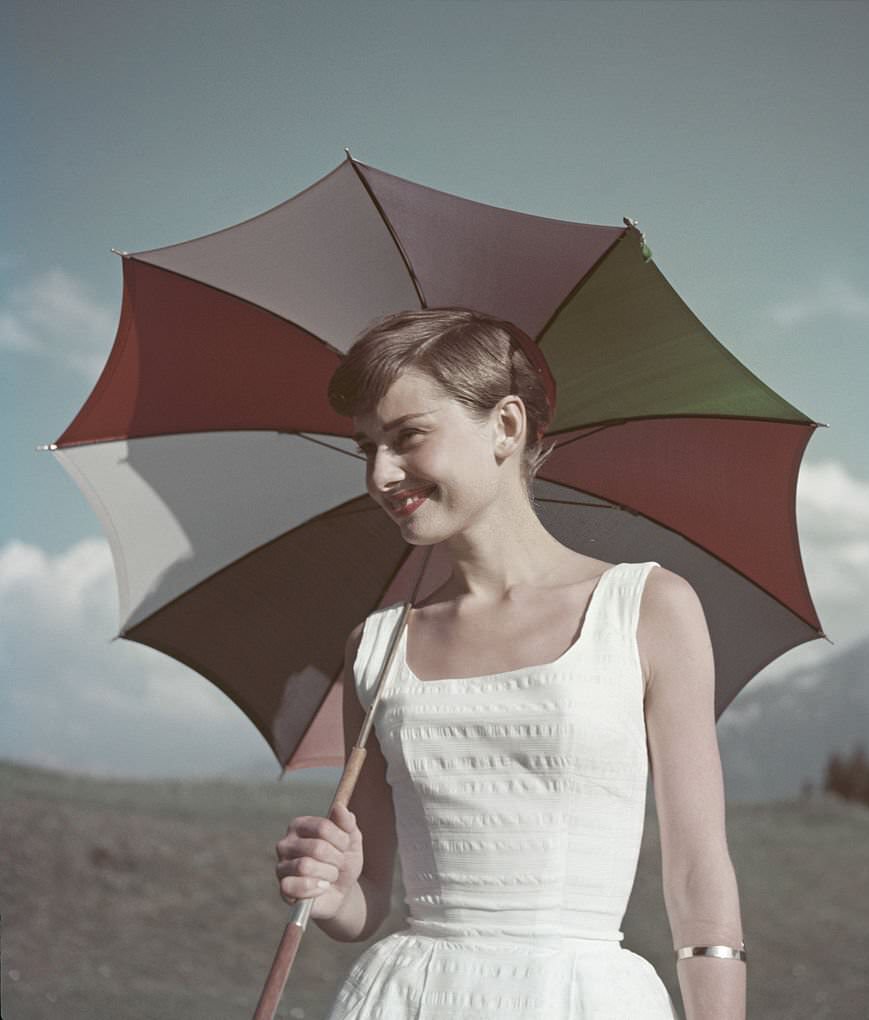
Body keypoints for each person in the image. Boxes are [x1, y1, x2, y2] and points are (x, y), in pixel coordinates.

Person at [274, 307, 746, 1019]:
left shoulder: (647, 607)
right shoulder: (376, 645)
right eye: (365, 447)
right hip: (409, 997)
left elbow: (696, 873)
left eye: (408, 437)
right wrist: (335, 891)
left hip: (579, 998)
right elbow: (366, 903)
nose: (380, 474)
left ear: (506, 426)